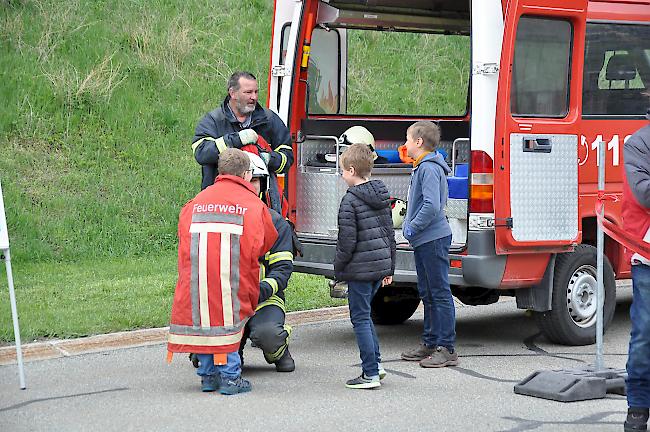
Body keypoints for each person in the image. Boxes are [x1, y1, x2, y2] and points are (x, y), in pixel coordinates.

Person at [168, 148, 278, 395]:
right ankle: (230, 378)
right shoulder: (252, 205)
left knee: (206, 324)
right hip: (232, 276)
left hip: (197, 278)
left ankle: (207, 377)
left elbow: (183, 236)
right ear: (247, 174)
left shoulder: (196, 201)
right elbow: (266, 241)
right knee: (228, 323)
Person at [334, 143, 396, 389]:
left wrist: (339, 269)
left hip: (359, 269)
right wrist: (389, 267)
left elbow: (346, 241)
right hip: (378, 267)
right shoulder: (381, 195)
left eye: (342, 171)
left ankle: (369, 373)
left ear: (351, 170)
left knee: (359, 318)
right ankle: (376, 365)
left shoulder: (349, 201)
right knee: (366, 316)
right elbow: (389, 233)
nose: (341, 175)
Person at [191, 71, 294, 216]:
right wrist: (236, 140)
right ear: (232, 93)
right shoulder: (213, 121)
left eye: (256, 92)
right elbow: (202, 153)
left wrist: (268, 159)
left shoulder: (269, 119)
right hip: (222, 206)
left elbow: (288, 156)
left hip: (262, 207)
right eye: (248, 92)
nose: (254, 97)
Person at [399, 121, 458, 368]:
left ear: (419, 142)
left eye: (408, 139)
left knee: (439, 292)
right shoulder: (422, 167)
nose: (405, 144)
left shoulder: (429, 169)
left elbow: (432, 205)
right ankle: (430, 343)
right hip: (425, 240)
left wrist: (413, 226)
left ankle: (447, 348)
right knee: (427, 292)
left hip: (433, 238)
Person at [239, 152, 296, 373]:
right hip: (227, 299)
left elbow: (282, 270)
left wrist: (259, 290)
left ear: (263, 184)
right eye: (246, 179)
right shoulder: (220, 218)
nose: (249, 185)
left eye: (255, 180)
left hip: (263, 297)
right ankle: (234, 349)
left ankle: (279, 349)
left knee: (268, 335)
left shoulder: (274, 221)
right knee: (203, 355)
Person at [622, 110, 650, 432]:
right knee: (644, 337)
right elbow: (643, 193)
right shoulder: (638, 144)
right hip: (647, 260)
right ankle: (638, 409)